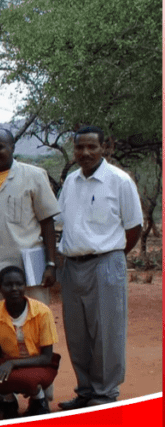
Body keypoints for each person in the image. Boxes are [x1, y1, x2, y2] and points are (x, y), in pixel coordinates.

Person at [56, 126, 143, 410]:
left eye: (92, 147)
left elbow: (134, 228)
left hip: (106, 263)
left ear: (105, 147)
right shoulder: (70, 181)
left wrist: (112, 255)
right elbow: (64, 224)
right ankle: (85, 391)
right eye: (80, 147)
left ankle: (105, 394)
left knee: (107, 332)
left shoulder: (119, 181)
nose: (85, 153)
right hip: (73, 267)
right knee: (77, 332)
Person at [0, 129, 61, 308]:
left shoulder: (34, 176)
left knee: (35, 322)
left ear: (12, 147)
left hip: (30, 269)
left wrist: (51, 264)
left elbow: (47, 223)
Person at [0, 266, 60, 418]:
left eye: (19, 284)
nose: (14, 288)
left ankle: (39, 399)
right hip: (8, 364)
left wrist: (12, 364)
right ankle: (9, 401)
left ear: (25, 285)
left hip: (39, 364)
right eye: (8, 285)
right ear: (0, 288)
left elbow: (46, 357)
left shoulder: (42, 312)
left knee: (28, 380)